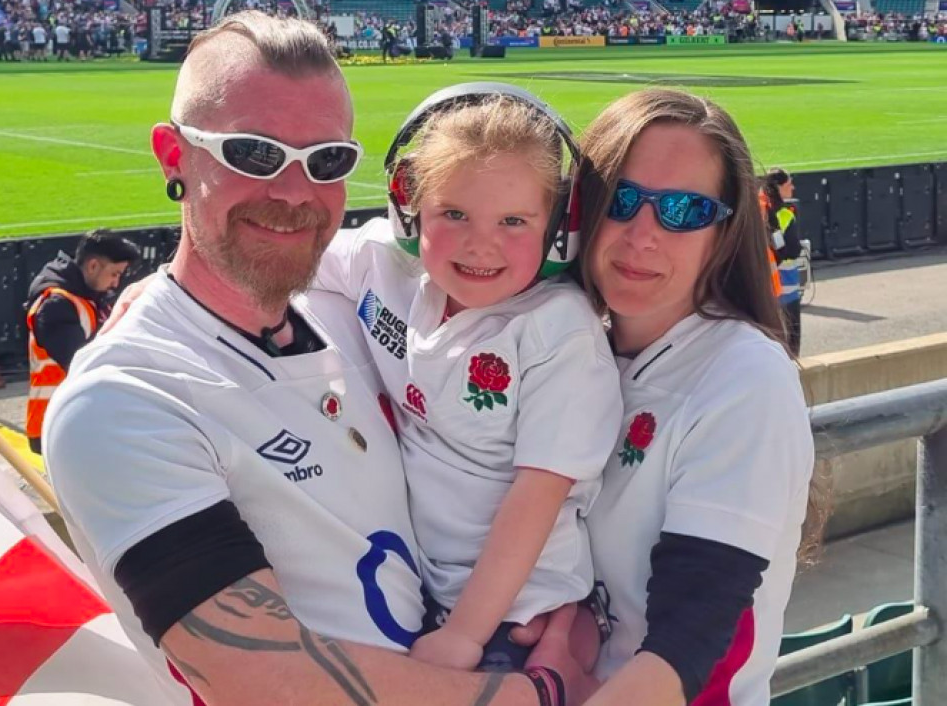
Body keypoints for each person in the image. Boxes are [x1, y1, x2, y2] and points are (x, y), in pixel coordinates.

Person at [45, 13, 589, 706]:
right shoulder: (121, 402)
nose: (295, 193)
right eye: (253, 154)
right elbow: (266, 680)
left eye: (326, 161)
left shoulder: (340, 311)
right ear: (173, 155)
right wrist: (535, 692)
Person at [313, 85, 621, 672]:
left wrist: (465, 633)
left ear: (559, 226)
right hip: (419, 591)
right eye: (453, 213)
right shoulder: (386, 263)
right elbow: (292, 267)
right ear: (409, 208)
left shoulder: (560, 333)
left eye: (514, 221)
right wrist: (171, 287)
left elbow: (536, 499)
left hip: (512, 618)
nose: (482, 243)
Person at [570, 88, 819, 706]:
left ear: (724, 232)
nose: (642, 234)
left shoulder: (743, 379)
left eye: (682, 210)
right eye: (621, 200)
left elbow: (688, 654)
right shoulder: (571, 355)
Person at [25, 229, 140, 454]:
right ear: (93, 266)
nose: (116, 283)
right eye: (115, 274)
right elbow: (84, 364)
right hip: (60, 421)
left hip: (72, 417)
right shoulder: (56, 306)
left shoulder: (84, 299)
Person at [760, 167, 803, 356]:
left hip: (762, 291)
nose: (792, 188)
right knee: (791, 346)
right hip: (786, 287)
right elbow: (792, 251)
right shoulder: (784, 215)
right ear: (779, 187)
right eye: (789, 184)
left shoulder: (756, 209)